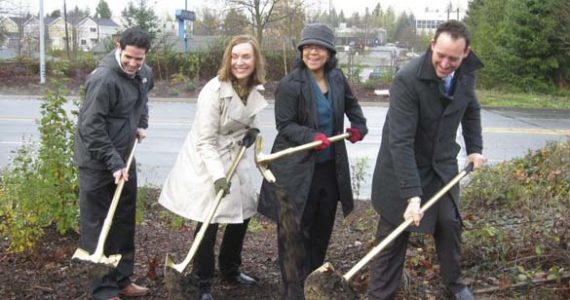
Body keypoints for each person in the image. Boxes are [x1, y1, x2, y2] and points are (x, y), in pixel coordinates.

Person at [368, 20, 486, 300]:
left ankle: (454, 286)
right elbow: (401, 141)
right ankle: (378, 295)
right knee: (394, 233)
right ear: (432, 45)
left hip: (441, 165)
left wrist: (474, 148)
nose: (445, 63)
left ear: (465, 53)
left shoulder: (467, 73)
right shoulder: (407, 79)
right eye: (440, 55)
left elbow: (471, 109)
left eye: (453, 58)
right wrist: (412, 196)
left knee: (449, 222)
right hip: (401, 166)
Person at [258, 23, 368, 299]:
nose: (312, 52)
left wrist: (358, 126)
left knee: (321, 230)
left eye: (318, 47)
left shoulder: (338, 79)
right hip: (296, 172)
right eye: (307, 47)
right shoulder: (290, 84)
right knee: (294, 235)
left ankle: (313, 285)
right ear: (302, 51)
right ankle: (293, 292)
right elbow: (285, 125)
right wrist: (311, 135)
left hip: (329, 171)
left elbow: (353, 106)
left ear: (330, 52)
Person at [158, 35, 267, 300]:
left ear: (255, 61)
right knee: (208, 221)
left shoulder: (252, 88)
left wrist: (251, 131)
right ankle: (202, 281)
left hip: (233, 157)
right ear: (228, 59)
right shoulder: (214, 90)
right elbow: (206, 141)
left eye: (246, 57)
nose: (240, 62)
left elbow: (246, 119)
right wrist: (218, 177)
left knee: (243, 213)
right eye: (235, 56)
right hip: (207, 161)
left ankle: (230, 269)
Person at [74, 27, 154, 300]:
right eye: (129, 57)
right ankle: (103, 289)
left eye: (139, 59)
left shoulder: (144, 75)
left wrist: (142, 123)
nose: (133, 64)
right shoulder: (104, 79)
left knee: (122, 221)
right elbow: (90, 126)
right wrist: (112, 162)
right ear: (118, 47)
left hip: (124, 157)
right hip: (97, 161)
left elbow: (143, 101)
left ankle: (121, 279)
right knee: (98, 224)